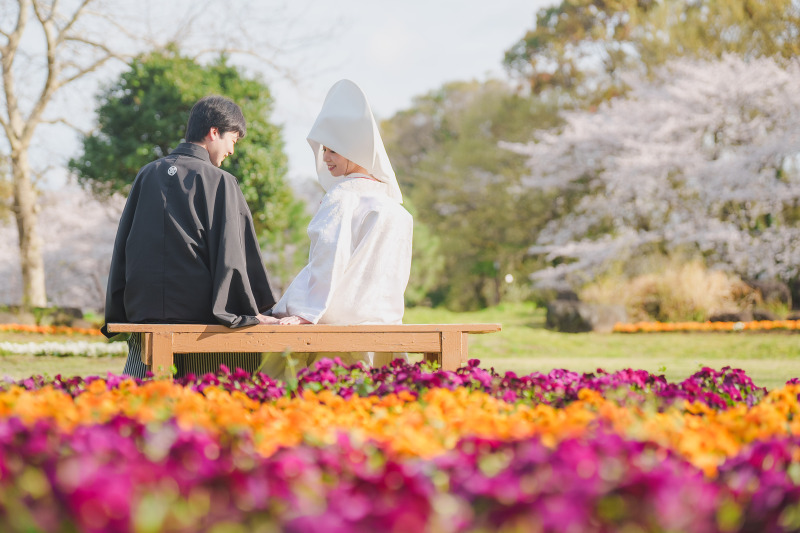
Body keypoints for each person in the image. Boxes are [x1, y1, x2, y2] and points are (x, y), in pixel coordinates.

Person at [101, 95, 278, 378]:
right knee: (221, 385)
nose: (232, 150)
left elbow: (124, 244)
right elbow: (232, 254)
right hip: (200, 316)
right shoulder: (220, 181)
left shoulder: (147, 174)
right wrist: (248, 311)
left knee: (141, 392)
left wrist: (121, 306)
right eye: (232, 140)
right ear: (214, 132)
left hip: (143, 310)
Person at [264, 79, 413, 379]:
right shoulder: (397, 210)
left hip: (335, 324)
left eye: (333, 150)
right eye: (324, 150)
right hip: (381, 323)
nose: (325, 158)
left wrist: (305, 312)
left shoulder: (341, 197)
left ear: (353, 149)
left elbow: (327, 257)